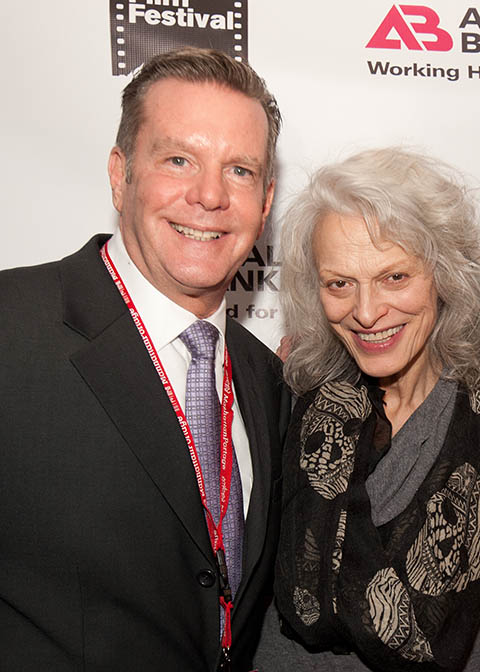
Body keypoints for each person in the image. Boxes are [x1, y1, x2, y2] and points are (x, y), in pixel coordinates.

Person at [0, 48, 290, 672]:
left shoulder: (270, 383)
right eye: (179, 159)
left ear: (265, 201)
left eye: (239, 170)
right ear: (120, 173)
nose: (209, 195)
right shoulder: (10, 325)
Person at [254, 147, 480, 671]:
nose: (366, 312)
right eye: (340, 284)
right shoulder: (288, 401)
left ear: (444, 273)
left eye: (394, 277)